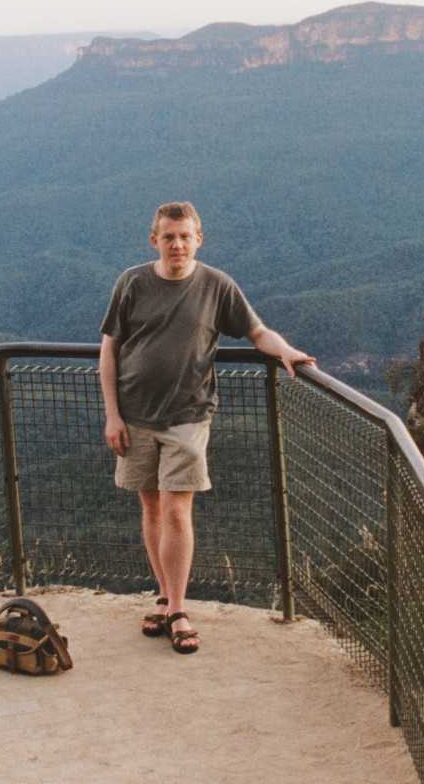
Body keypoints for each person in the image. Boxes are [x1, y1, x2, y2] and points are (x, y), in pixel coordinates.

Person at [99, 201, 314, 654]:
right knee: (151, 508)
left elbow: (258, 333)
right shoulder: (132, 283)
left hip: (188, 416)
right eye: (169, 236)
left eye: (185, 236)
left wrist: (287, 351)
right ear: (153, 239)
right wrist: (112, 414)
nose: (177, 244)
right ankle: (163, 597)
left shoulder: (218, 286)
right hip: (134, 416)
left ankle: (177, 609)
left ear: (199, 238)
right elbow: (109, 350)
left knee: (177, 510)